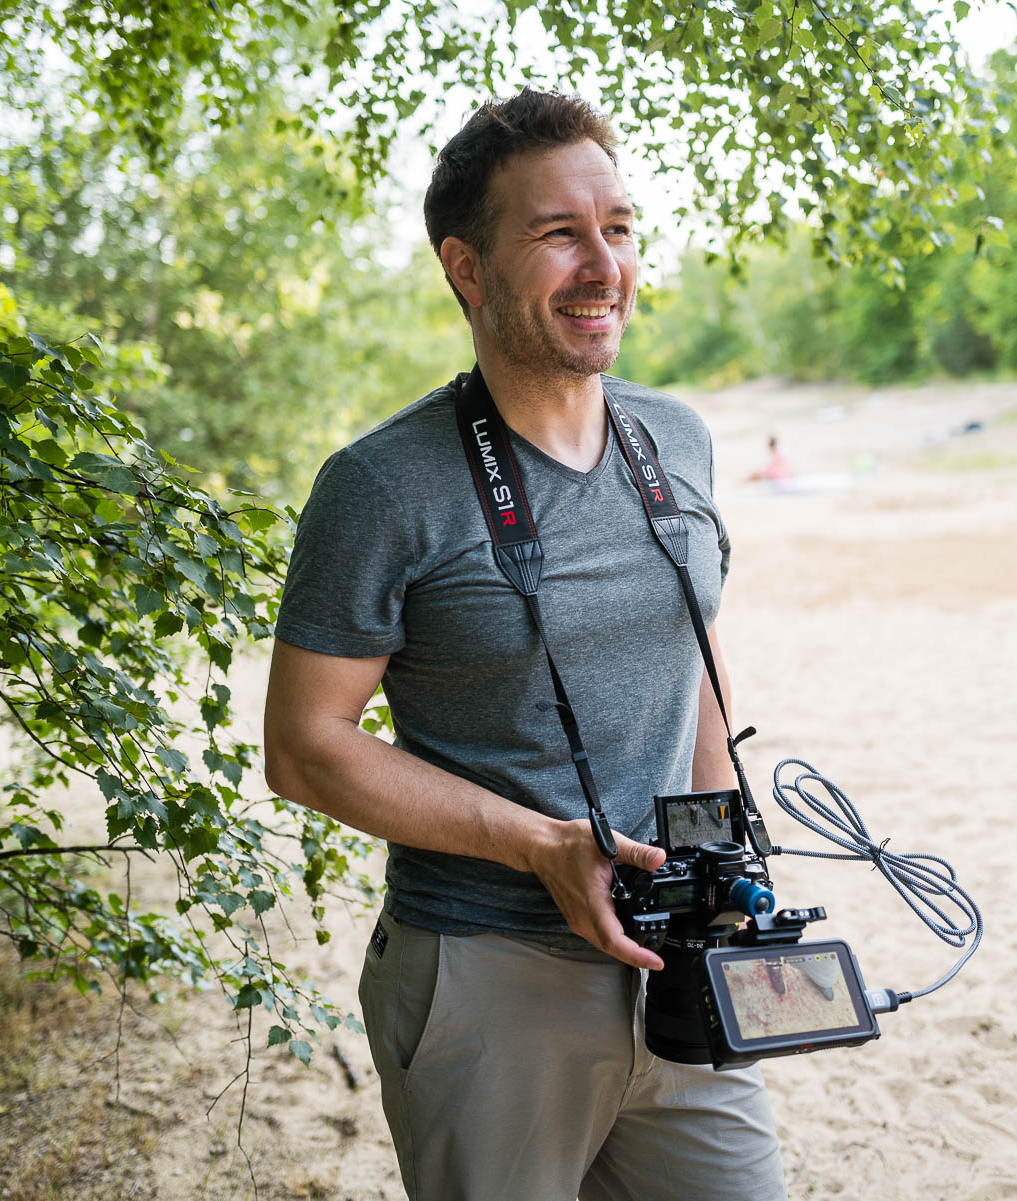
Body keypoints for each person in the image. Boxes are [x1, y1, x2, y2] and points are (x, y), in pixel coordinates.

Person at [262, 90, 787, 1201]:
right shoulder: (380, 485)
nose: (605, 266)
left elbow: (691, 651)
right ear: (467, 268)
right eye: (559, 235)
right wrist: (543, 846)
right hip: (485, 975)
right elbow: (305, 748)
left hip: (679, 962)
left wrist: (726, 840)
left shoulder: (677, 437)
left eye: (620, 228)